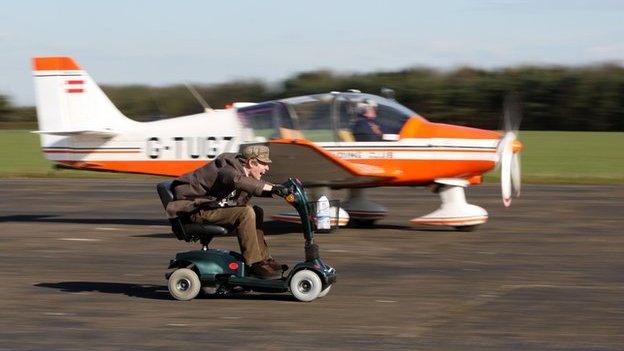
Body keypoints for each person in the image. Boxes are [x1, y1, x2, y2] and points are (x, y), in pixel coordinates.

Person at [165, 145, 290, 279]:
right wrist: (274, 189)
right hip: (195, 210)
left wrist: (280, 189)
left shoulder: (244, 170)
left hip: (211, 207)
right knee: (246, 212)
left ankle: (264, 260)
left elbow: (252, 184)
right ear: (252, 162)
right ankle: (253, 263)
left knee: (256, 211)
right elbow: (239, 181)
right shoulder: (228, 170)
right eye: (264, 164)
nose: (267, 168)